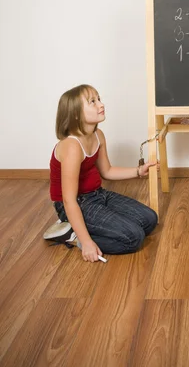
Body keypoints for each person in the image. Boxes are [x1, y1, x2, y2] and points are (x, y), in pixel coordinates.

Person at [43, 84, 158, 262]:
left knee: (150, 220)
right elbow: (68, 200)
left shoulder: (99, 135)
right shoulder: (72, 147)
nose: (101, 104)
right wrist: (86, 242)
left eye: (99, 99)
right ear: (75, 114)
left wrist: (137, 171)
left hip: (97, 195)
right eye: (92, 102)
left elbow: (107, 171)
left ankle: (84, 228)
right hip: (74, 204)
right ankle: (73, 235)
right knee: (134, 238)